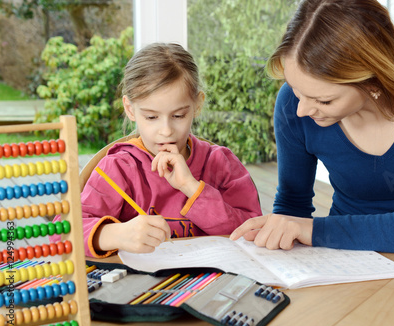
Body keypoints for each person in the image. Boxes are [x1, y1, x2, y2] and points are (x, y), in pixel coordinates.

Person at [230, 0, 394, 253]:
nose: (302, 110)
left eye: (324, 100)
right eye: (297, 90)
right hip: (348, 263)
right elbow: (292, 207)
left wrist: (320, 232)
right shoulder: (291, 104)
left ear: (374, 81)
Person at [52, 43, 262, 258]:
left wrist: (191, 187)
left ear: (197, 105)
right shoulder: (118, 167)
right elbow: (60, 232)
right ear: (129, 109)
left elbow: (252, 231)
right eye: (151, 117)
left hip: (211, 285)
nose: (166, 131)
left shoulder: (221, 163)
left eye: (178, 116)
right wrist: (114, 234)